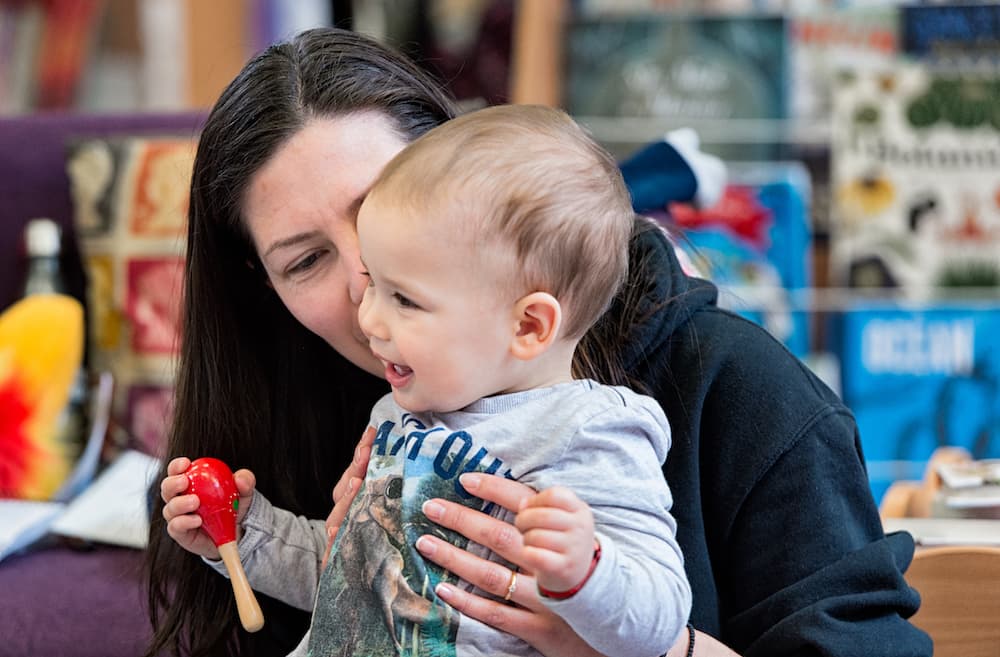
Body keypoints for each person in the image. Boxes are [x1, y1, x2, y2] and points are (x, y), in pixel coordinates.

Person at [146, 26, 932, 657]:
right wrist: (258, 540)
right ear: (265, 291)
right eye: (307, 259)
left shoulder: (728, 395)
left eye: (384, 209)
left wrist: (641, 640)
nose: (364, 282)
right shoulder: (350, 407)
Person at [166, 103, 692, 657]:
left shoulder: (591, 430)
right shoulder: (397, 417)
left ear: (529, 326)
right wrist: (246, 534)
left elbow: (657, 624)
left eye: (404, 300)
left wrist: (587, 570)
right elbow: (353, 581)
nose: (368, 318)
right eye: (376, 287)